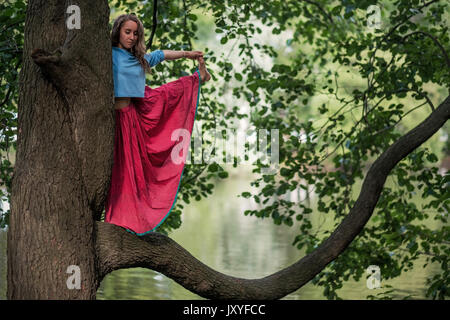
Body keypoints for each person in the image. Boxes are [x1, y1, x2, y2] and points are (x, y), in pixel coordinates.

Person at [105, 13, 211, 236]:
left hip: (130, 117)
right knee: (116, 171)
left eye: (136, 33)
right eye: (128, 32)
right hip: (110, 119)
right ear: (117, 31)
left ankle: (198, 78)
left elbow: (161, 55)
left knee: (129, 171)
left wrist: (188, 54)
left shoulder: (139, 59)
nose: (132, 37)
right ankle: (115, 217)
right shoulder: (106, 53)